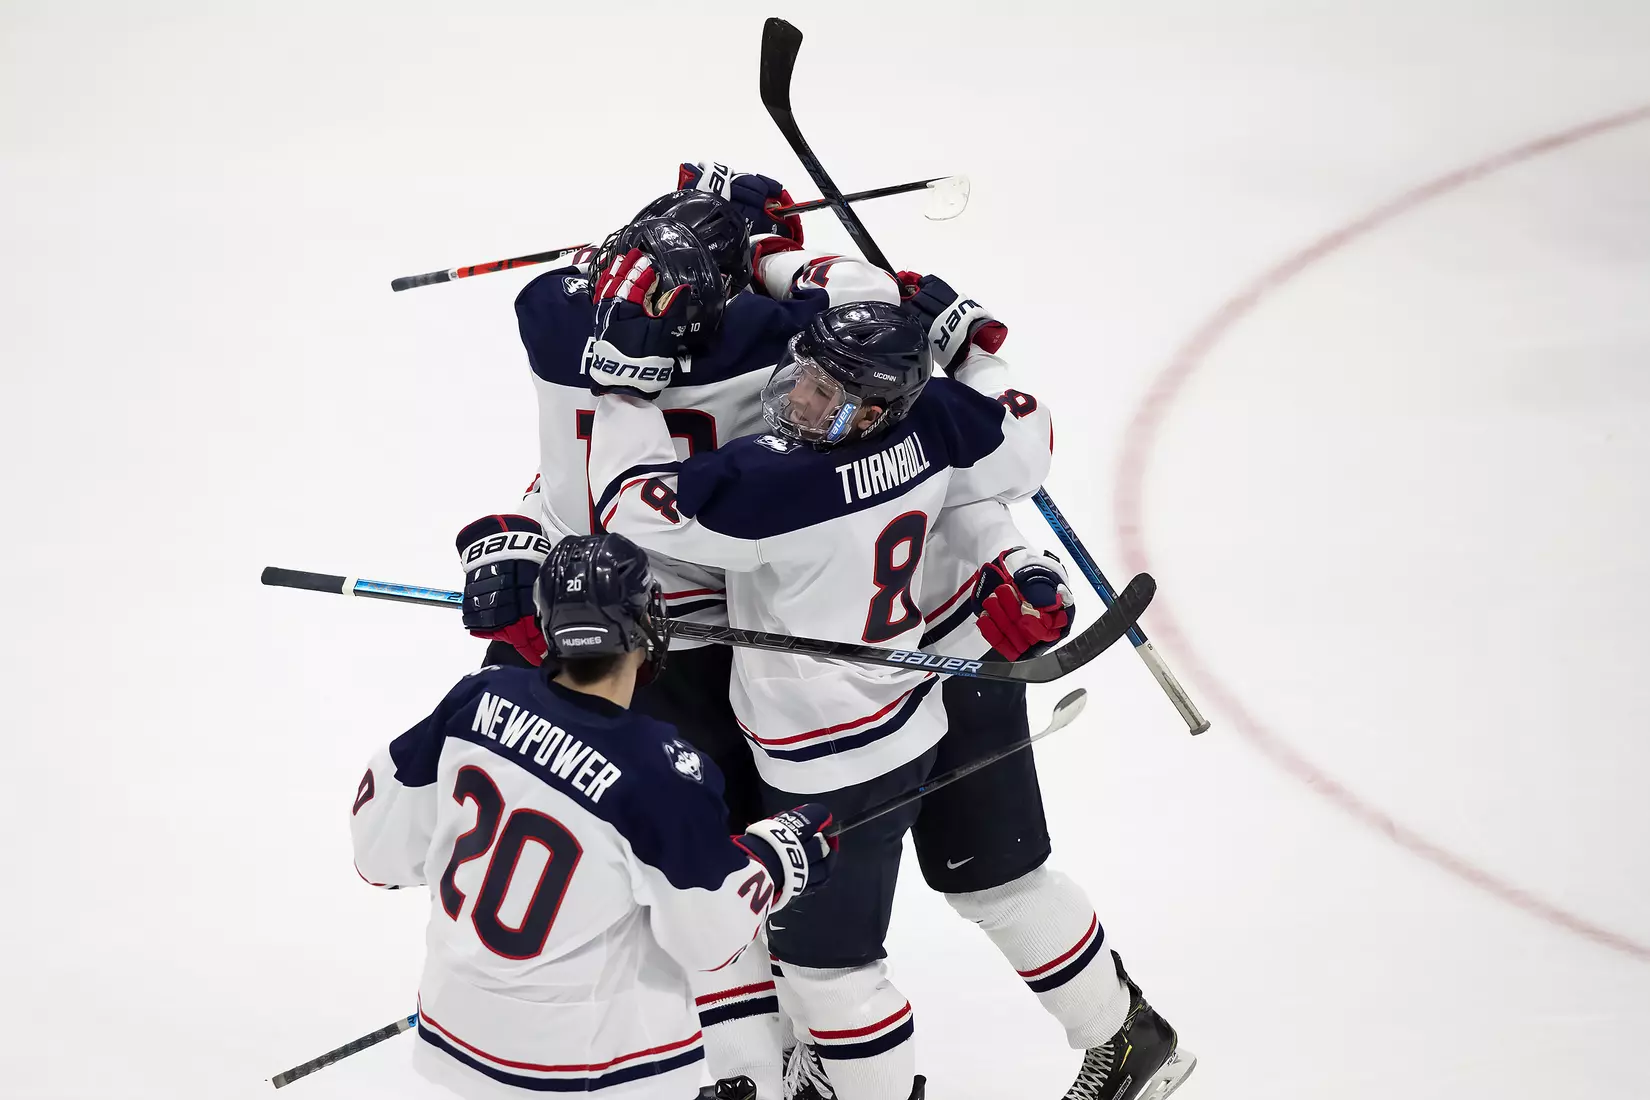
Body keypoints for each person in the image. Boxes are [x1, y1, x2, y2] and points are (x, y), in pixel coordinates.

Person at [587, 241, 1193, 1100]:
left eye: (827, 393)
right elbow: (1026, 439)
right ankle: (1130, 1037)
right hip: (953, 662)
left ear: (873, 408)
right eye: (805, 376)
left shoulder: (771, 484)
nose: (800, 400)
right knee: (1002, 884)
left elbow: (626, 504)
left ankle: (862, 1083)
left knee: (824, 965)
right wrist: (974, 347)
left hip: (833, 747)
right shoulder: (938, 414)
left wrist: (622, 385)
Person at [456, 167, 904, 1099]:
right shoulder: (759, 333)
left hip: (641, 636)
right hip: (653, 635)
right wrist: (764, 244)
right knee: (685, 871)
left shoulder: (561, 314)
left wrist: (738, 242)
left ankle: (739, 1062)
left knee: (671, 867)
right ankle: (740, 1060)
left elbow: (580, 475)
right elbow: (870, 299)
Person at [350, 532, 837, 1100]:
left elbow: (378, 856)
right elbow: (710, 941)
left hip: (453, 1033)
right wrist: (776, 858)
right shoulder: (662, 772)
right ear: (645, 625)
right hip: (592, 1073)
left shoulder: (475, 698)